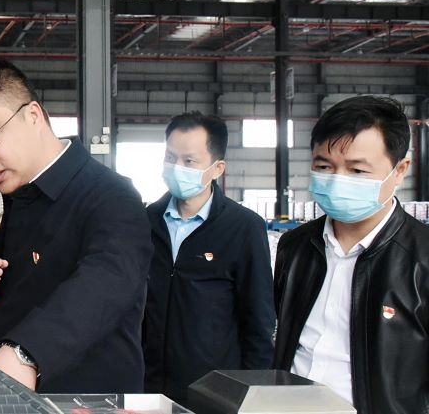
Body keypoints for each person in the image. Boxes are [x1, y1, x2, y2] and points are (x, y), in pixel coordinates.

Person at [0, 59, 152, 392]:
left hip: (81, 398)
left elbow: (105, 284)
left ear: (33, 116)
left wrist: (26, 353)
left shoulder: (110, 196)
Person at [274, 95, 428, 414]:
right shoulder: (295, 247)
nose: (337, 180)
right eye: (324, 167)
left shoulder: (421, 258)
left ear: (400, 170)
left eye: (357, 170)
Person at [143, 111, 275, 404]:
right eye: (170, 157)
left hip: (214, 392)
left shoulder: (243, 227)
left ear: (217, 169)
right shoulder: (146, 222)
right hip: (148, 387)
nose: (176, 168)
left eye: (189, 161)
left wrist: (250, 394)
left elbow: (258, 320)